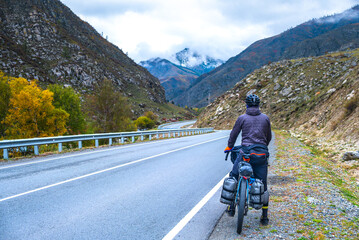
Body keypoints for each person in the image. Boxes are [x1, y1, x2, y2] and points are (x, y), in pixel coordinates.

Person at [224, 94, 272, 225]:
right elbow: (269, 137)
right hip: (261, 155)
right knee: (263, 184)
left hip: (245, 153)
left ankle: (231, 207)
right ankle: (264, 216)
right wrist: (262, 147)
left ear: (246, 105)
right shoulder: (265, 118)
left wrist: (229, 146)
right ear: (258, 105)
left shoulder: (242, 118)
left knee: (234, 175)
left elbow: (233, 135)